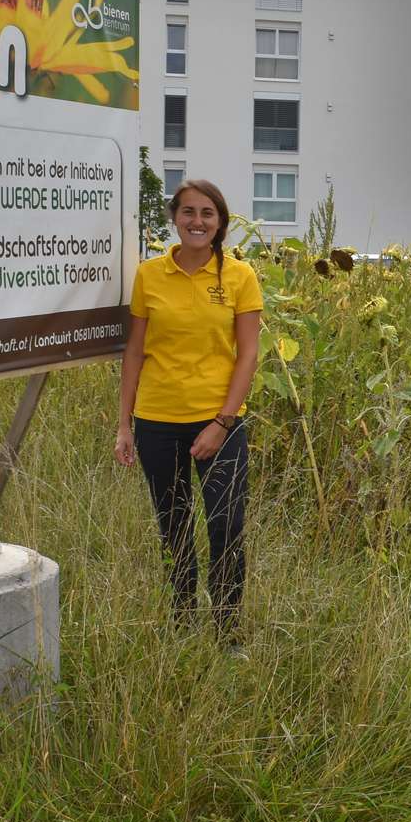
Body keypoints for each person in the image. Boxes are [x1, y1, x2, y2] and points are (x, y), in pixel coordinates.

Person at [114, 179, 262, 642]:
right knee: (173, 527)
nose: (197, 222)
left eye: (208, 214)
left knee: (226, 526)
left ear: (220, 223)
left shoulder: (240, 277)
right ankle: (181, 624)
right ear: (175, 218)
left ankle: (227, 630)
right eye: (188, 212)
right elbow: (135, 352)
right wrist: (124, 425)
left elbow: (248, 355)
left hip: (219, 422)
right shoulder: (149, 275)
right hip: (156, 421)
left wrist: (222, 422)